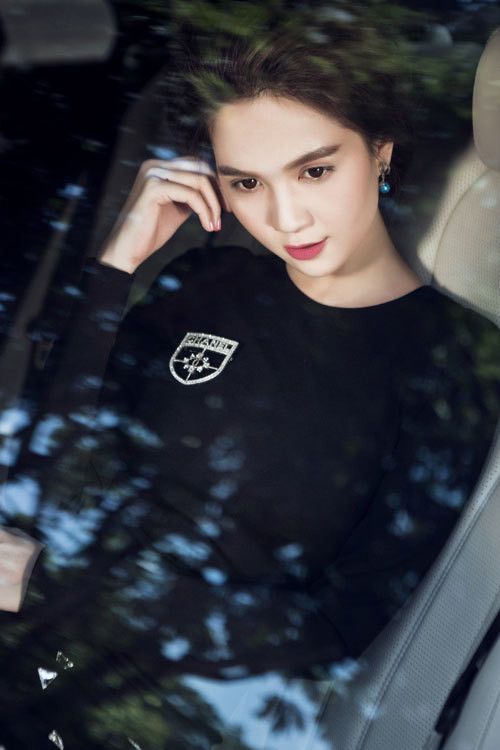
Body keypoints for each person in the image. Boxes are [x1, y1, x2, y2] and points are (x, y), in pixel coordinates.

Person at [3, 27, 499, 748]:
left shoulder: (454, 360)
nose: (286, 218)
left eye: (315, 170)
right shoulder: (207, 280)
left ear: (380, 151)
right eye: (247, 183)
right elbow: (51, 467)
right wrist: (115, 268)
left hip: (158, 708)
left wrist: (55, 584)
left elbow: (328, 631)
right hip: (38, 637)